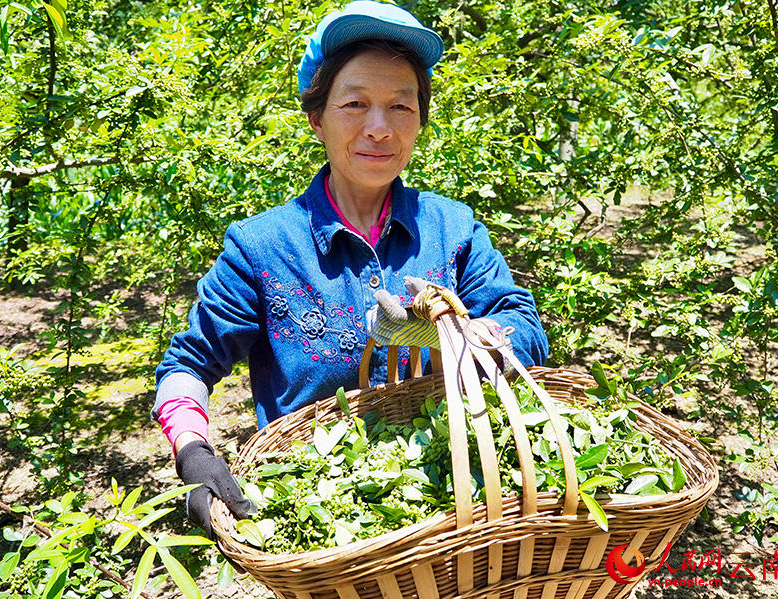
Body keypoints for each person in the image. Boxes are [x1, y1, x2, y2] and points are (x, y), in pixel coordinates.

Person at [153, 0, 549, 538]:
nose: (379, 128)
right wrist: (193, 453)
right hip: (326, 525)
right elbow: (188, 365)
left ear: (420, 121)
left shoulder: (451, 228)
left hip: (464, 508)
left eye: (401, 107)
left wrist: (458, 338)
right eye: (355, 103)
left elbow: (521, 324)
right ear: (317, 116)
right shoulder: (263, 246)